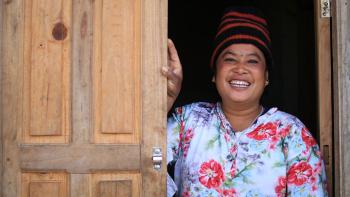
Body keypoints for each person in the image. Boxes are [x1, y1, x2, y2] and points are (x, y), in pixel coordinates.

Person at [163, 6, 328, 197]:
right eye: (230, 59)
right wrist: (166, 99)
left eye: (252, 61)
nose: (240, 68)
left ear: (266, 77)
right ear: (215, 74)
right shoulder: (188, 120)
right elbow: (144, 164)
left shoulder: (292, 133)